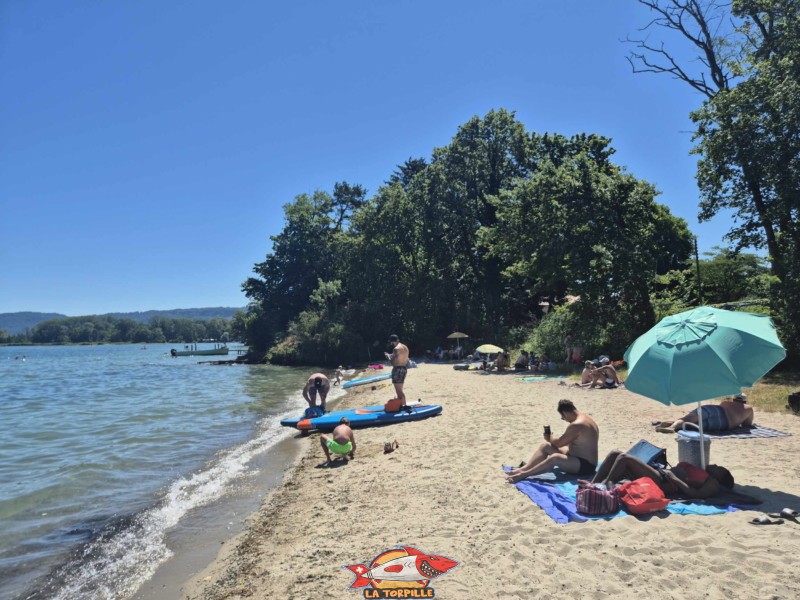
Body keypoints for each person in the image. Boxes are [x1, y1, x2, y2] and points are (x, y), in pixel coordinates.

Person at [506, 399, 599, 483]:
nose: (564, 420)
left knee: (555, 458)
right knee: (545, 446)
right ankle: (523, 469)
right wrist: (550, 439)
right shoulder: (585, 418)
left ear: (565, 413)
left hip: (585, 466)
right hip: (576, 456)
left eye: (563, 417)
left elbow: (559, 443)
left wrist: (549, 437)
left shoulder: (577, 425)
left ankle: (523, 475)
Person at [590, 450, 734, 499]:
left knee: (624, 458)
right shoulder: (702, 471)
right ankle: (591, 485)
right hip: (661, 474)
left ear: (721, 477)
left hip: (665, 483)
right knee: (615, 453)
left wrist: (676, 480)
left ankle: (602, 490)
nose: (715, 465)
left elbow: (695, 494)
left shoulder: (713, 483)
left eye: (719, 468)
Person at [653, 393, 754, 433]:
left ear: (734, 399)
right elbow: (747, 425)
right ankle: (674, 426)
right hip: (724, 424)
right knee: (695, 425)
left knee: (690, 418)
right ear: (744, 401)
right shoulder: (748, 408)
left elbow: (721, 406)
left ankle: (673, 425)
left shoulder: (726, 402)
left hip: (717, 409)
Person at [385, 334, 409, 407]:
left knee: (398, 391)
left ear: (392, 342)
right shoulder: (405, 347)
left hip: (397, 369)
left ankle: (404, 406)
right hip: (404, 368)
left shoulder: (396, 349)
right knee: (400, 389)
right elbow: (405, 359)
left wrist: (388, 357)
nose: (391, 344)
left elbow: (393, 362)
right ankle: (403, 404)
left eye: (391, 343)